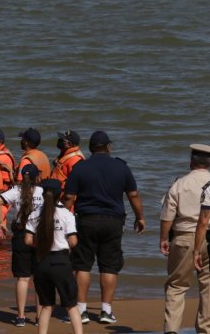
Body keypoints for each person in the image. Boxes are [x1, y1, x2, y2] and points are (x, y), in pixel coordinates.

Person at [64, 131, 145, 324]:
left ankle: (81, 311)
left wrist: (63, 220)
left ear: (91, 148)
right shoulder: (121, 167)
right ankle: (106, 311)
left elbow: (69, 198)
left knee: (82, 265)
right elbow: (133, 194)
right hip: (113, 221)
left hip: (86, 220)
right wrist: (140, 217)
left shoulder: (80, 167)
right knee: (109, 266)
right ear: (108, 146)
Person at [160, 143, 210, 334]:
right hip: (209, 238)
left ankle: (172, 330)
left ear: (191, 162)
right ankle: (206, 329)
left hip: (183, 238)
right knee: (207, 288)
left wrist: (163, 238)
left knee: (176, 286)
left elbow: (167, 216)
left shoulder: (179, 184)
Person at [25, 179, 82, 334]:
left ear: (43, 194)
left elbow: (28, 240)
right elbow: (73, 241)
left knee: (46, 305)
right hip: (61, 262)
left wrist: (43, 244)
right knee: (71, 305)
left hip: (42, 262)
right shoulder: (66, 214)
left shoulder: (35, 213)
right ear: (60, 194)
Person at [0, 164, 43, 327]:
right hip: (39, 237)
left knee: (22, 278)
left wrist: (1, 222)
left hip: (21, 235)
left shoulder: (16, 191)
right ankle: (39, 316)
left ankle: (21, 317)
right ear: (37, 177)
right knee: (39, 278)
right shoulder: (43, 192)